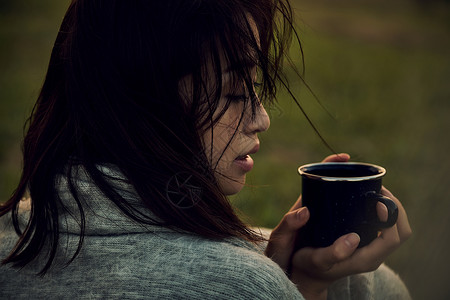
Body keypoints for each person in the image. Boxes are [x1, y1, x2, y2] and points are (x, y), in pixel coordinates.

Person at [0, 0, 412, 299]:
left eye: (254, 86)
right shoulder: (237, 285)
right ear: (142, 101)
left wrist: (305, 282)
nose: (261, 118)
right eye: (234, 89)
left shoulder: (9, 238)